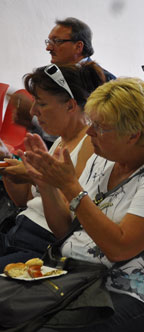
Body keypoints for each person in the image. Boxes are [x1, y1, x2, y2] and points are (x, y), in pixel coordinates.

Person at [23, 77, 144, 331]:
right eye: (91, 123)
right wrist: (48, 184)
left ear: (133, 135)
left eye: (99, 127)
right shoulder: (105, 154)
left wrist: (71, 187)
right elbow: (65, 230)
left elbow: (119, 249)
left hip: (130, 296)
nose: (90, 132)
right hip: (81, 278)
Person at [0, 63, 105, 270]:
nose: (33, 111)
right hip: (20, 230)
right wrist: (7, 167)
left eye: (42, 104)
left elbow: (68, 218)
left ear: (70, 105)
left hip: (41, 246)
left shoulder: (89, 145)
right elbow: (26, 200)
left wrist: (38, 178)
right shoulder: (60, 141)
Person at [16, 17, 116, 146]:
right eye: (49, 41)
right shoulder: (54, 75)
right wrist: (32, 122)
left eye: (57, 41)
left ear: (78, 46)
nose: (49, 48)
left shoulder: (105, 82)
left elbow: (102, 130)